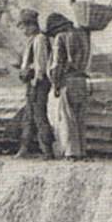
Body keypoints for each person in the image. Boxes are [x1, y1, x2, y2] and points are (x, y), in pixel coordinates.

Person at [46, 12, 91, 160]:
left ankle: (71, 153)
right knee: (80, 117)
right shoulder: (83, 36)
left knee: (67, 118)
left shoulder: (61, 37)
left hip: (68, 80)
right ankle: (82, 151)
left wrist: (56, 83)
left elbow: (58, 63)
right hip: (82, 81)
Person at [15, 9, 54, 159]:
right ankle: (24, 148)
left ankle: (47, 151)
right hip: (32, 83)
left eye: (24, 27)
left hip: (39, 83)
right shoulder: (32, 40)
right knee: (28, 116)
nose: (23, 31)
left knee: (39, 116)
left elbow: (41, 64)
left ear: (31, 25)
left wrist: (33, 76)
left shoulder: (40, 39)